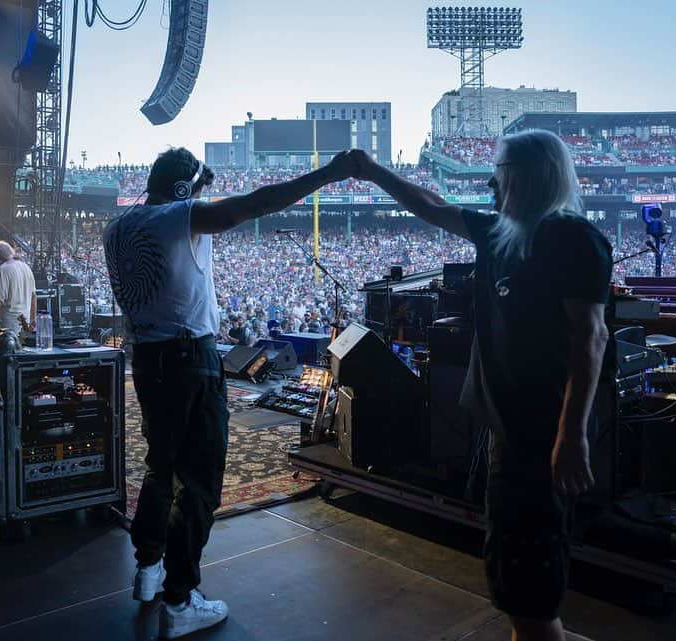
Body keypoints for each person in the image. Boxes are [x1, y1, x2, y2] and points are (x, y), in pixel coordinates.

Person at [349, 131, 611, 641]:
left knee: (530, 584)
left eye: (500, 169)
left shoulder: (572, 240)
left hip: (546, 434)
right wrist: (375, 171)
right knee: (512, 571)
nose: (490, 181)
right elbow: (432, 206)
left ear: (530, 175)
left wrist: (571, 435)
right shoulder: (500, 234)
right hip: (508, 431)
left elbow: (591, 340)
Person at [103, 146, 354, 639]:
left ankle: (148, 568)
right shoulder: (178, 216)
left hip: (148, 359)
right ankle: (179, 600)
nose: (203, 199)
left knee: (160, 465)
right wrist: (327, 173)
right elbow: (256, 204)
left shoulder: (118, 227)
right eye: (198, 190)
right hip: (187, 360)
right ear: (183, 191)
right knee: (199, 480)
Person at [0, 240, 37, 338]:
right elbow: (33, 296)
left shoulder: (3, 270)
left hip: (7, 326)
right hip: (24, 326)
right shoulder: (26, 267)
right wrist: (33, 320)